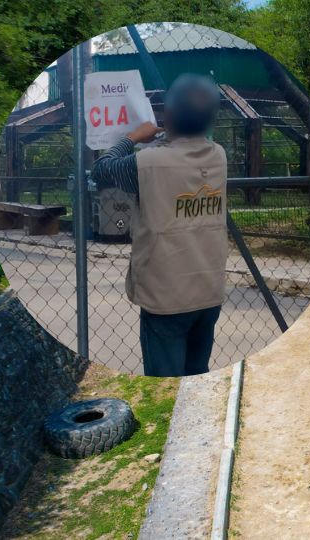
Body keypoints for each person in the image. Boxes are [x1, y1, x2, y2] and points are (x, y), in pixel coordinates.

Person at [91, 73, 228, 377]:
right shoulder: (219, 155)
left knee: (166, 378)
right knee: (197, 371)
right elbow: (182, 151)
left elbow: (100, 171)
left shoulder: (146, 163)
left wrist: (132, 137)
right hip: (208, 291)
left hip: (166, 297)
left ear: (168, 116)